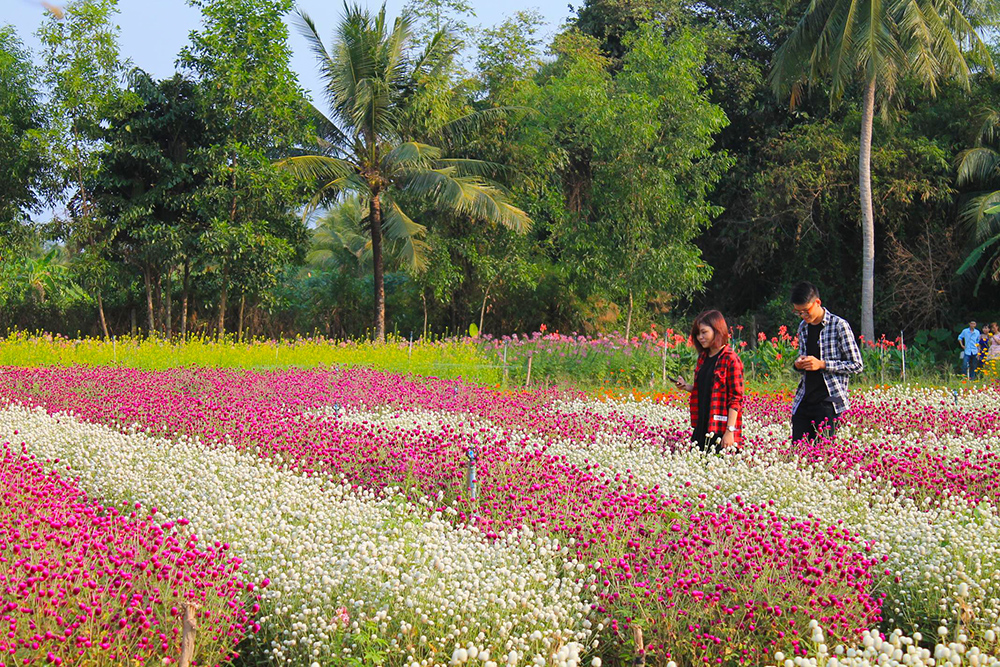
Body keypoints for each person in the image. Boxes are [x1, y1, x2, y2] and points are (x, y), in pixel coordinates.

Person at [790, 282, 863, 442]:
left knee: (823, 454)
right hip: (805, 398)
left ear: (817, 303)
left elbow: (856, 365)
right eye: (799, 312)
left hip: (832, 399)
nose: (803, 316)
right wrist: (799, 365)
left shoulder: (839, 326)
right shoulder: (803, 328)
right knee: (798, 453)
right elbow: (806, 363)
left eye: (806, 311)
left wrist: (822, 364)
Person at [674, 310, 744, 452]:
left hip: (720, 428)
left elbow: (735, 399)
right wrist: (686, 386)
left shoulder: (730, 359)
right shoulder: (703, 357)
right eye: (697, 334)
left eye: (704, 332)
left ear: (717, 330)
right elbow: (705, 389)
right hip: (702, 425)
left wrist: (730, 431)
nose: (700, 337)